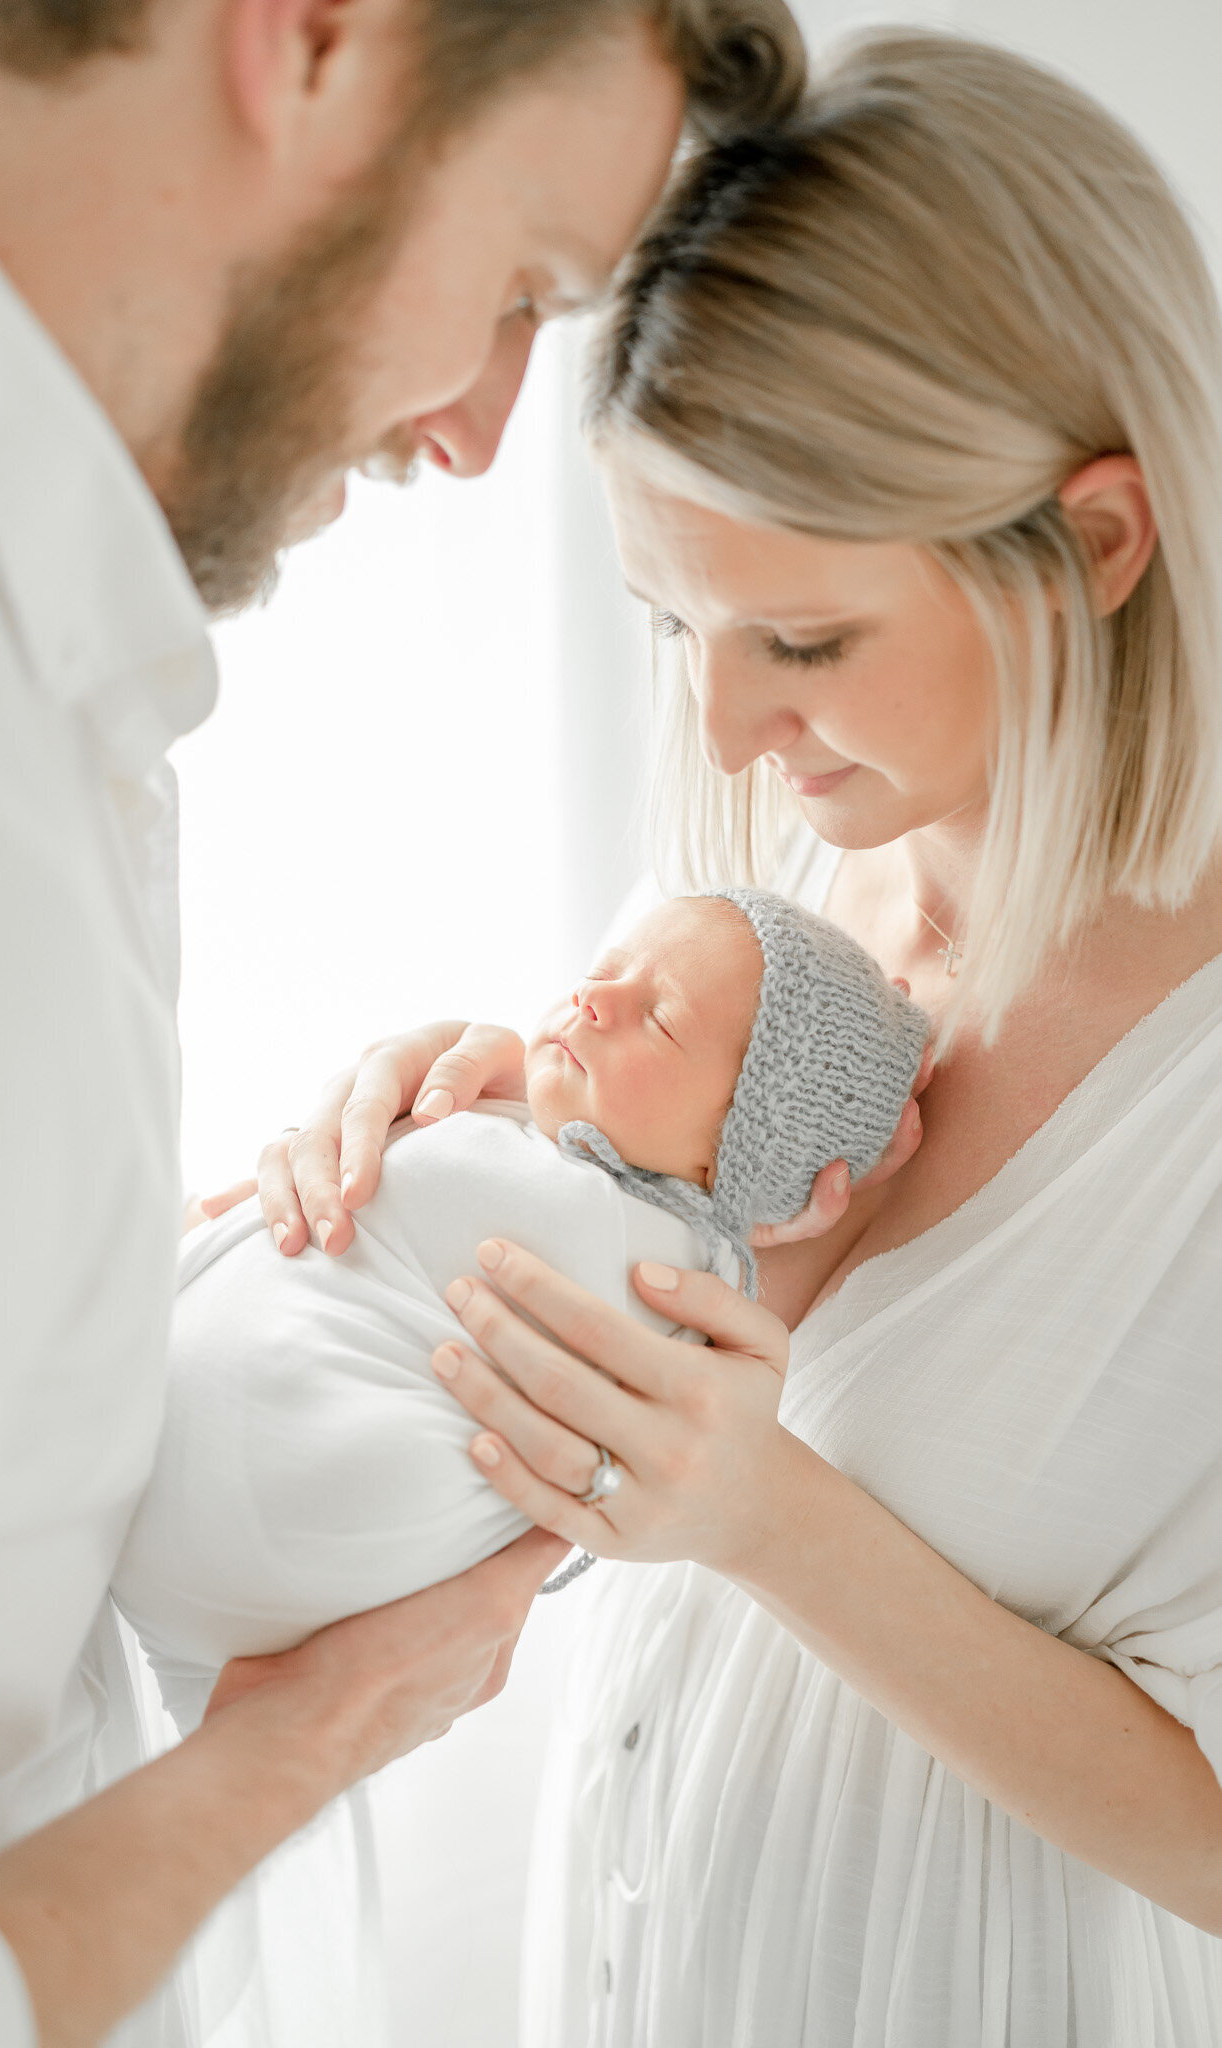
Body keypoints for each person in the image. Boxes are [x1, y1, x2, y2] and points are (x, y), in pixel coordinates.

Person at [251, 29, 1222, 2045]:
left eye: (803, 640)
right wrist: (479, 1171)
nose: (719, 733)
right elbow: (643, 1402)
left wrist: (764, 1516)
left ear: (1100, 545)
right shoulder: (800, 863)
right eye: (672, 622)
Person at [0, 0, 810, 2041]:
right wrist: (313, 1734)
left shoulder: (20, 684)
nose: (476, 430)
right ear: (312, 39)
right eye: (519, 288)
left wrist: (132, 1288)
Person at [114, 891, 924, 1729]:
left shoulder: (653, 1262)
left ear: (742, 1149)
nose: (592, 999)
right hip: (210, 1542)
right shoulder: (513, 1124)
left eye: (659, 1019)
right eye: (602, 973)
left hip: (266, 1509)